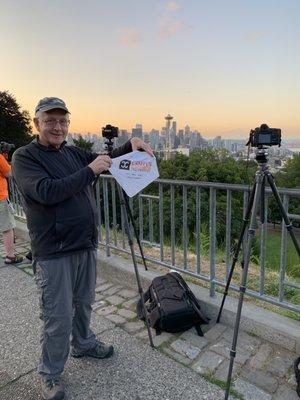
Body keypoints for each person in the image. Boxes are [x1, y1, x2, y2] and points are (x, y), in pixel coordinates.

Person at [12, 97, 153, 400]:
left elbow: (108, 158)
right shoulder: (25, 157)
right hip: (54, 251)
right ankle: (49, 374)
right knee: (57, 315)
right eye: (50, 121)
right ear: (37, 124)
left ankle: (84, 343)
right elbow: (46, 192)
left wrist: (131, 145)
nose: (58, 127)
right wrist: (90, 170)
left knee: (84, 302)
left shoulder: (72, 152)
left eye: (63, 121)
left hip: (84, 244)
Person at [0, 144, 23, 265]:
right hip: (0, 197)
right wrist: (5, 160)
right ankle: (10, 256)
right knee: (7, 228)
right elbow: (9, 173)